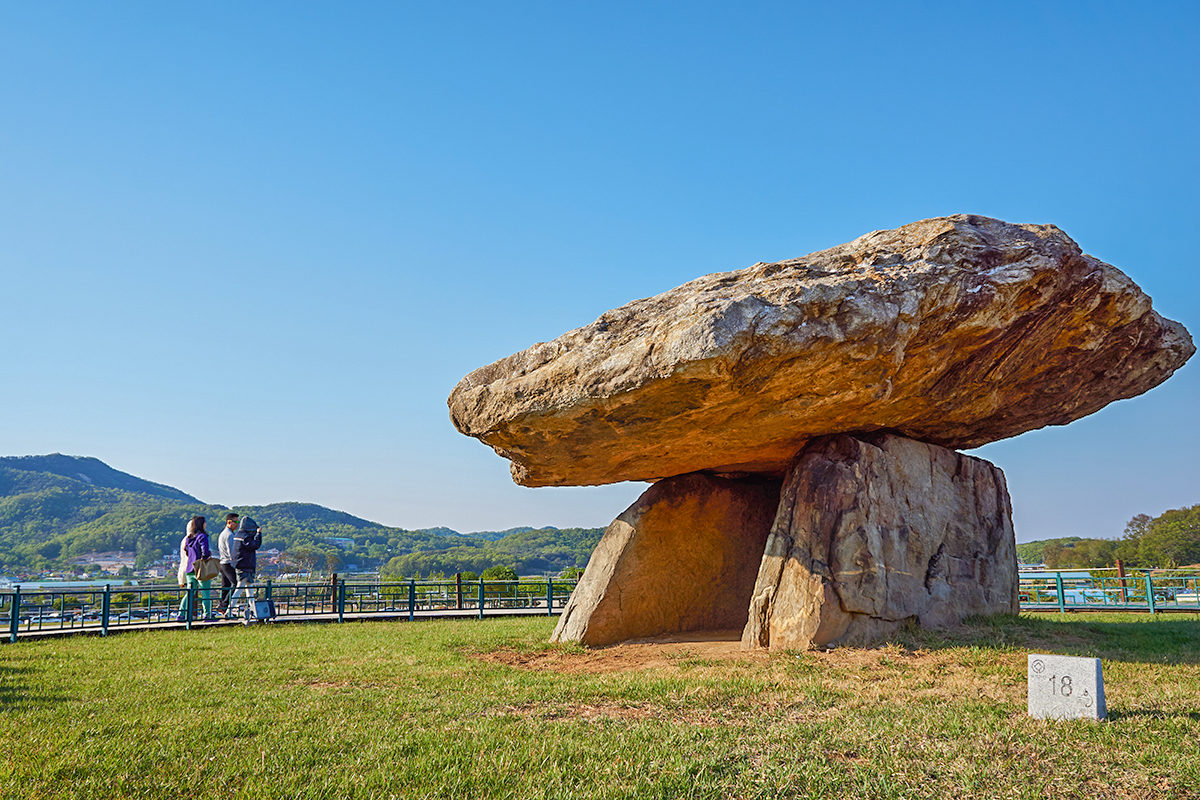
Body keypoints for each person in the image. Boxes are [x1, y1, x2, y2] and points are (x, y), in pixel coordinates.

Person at [175, 516, 214, 621]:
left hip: (190, 569)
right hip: (201, 568)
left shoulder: (189, 538)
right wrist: (207, 556)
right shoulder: (202, 536)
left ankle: (181, 614)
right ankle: (207, 614)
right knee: (206, 592)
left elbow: (187, 551)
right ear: (201, 524)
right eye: (205, 522)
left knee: (190, 593)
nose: (206, 524)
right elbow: (205, 551)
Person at [229, 516, 262, 622]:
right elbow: (255, 545)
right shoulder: (245, 537)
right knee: (240, 588)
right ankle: (229, 610)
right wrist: (258, 534)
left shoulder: (238, 535)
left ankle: (253, 610)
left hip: (241, 565)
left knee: (249, 590)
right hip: (245, 566)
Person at [216, 513, 239, 617]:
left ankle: (223, 608)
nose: (237, 524)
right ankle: (224, 605)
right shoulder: (230, 535)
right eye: (236, 522)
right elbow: (232, 552)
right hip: (228, 563)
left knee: (225, 586)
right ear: (229, 522)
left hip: (222, 563)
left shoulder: (223, 533)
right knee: (236, 584)